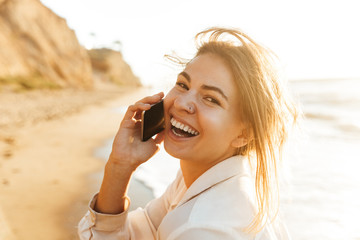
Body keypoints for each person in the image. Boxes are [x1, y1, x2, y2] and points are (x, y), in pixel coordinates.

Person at [78, 27, 298, 239]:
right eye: (183, 85)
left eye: (211, 98)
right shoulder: (198, 179)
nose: (182, 103)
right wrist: (121, 164)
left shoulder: (204, 229)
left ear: (245, 134)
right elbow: (134, 231)